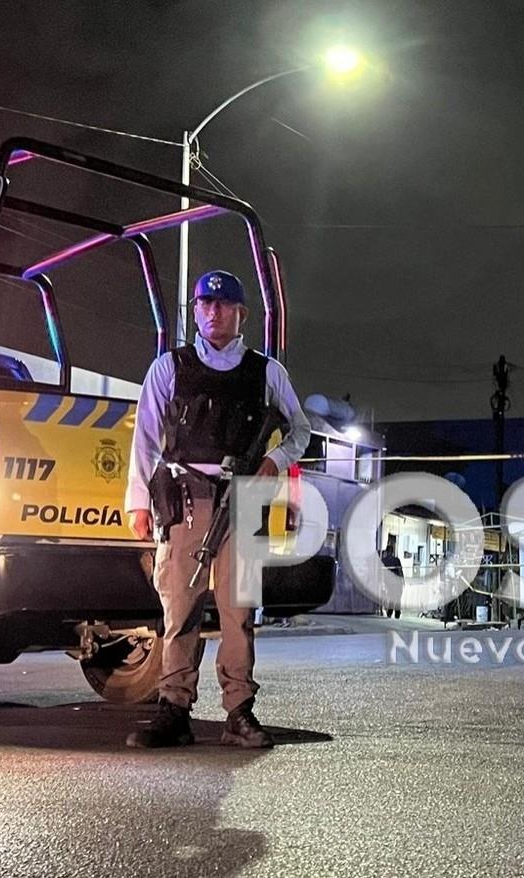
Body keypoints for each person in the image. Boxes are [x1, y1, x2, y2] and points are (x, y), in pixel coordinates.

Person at [124, 270, 311, 749]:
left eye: (223, 304)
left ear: (240, 314)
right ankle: (174, 709)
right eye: (204, 304)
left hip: (243, 500)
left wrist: (274, 459)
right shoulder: (170, 368)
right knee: (179, 607)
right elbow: (144, 439)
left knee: (238, 610)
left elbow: (300, 430)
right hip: (185, 497)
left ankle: (238, 711)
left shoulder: (266, 371)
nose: (212, 312)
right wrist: (138, 503)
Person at [380, 536, 405, 619]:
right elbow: (400, 571)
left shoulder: (384, 560)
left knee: (391, 597)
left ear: (387, 551)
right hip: (396, 582)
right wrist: (403, 580)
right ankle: (397, 613)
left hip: (389, 582)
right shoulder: (396, 560)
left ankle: (389, 613)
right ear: (392, 552)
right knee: (397, 598)